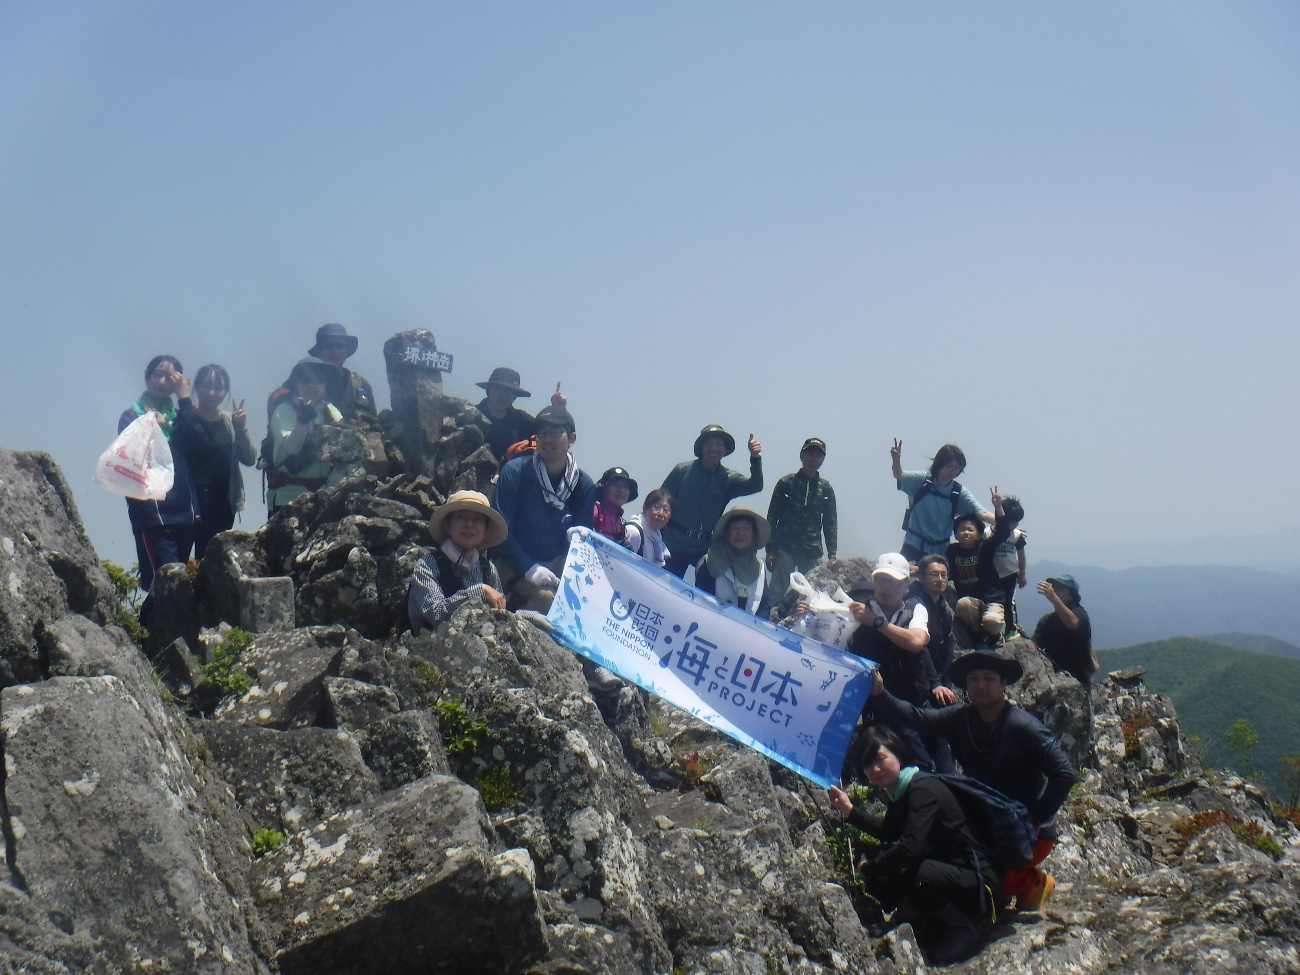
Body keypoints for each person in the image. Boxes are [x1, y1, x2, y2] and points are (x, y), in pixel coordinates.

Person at [866, 648, 1075, 914]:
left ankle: (1029, 882)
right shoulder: (961, 719)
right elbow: (915, 717)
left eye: (989, 678)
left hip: (1029, 834)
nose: (980, 685)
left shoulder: (1024, 727)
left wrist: (1036, 819)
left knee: (989, 880)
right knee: (954, 860)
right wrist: (880, 694)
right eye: (973, 679)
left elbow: (1064, 773)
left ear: (1003, 683)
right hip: (989, 822)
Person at [828, 726, 996, 964]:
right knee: (876, 854)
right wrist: (849, 811)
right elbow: (890, 832)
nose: (875, 768)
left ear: (898, 753)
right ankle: (924, 914)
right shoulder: (901, 789)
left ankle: (960, 926)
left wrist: (870, 869)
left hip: (981, 883)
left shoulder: (921, 790)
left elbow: (909, 848)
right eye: (867, 764)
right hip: (955, 871)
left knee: (912, 874)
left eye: (880, 758)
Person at [847, 554, 956, 774]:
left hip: (918, 699)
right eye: (881, 580)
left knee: (943, 757)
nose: (885, 587)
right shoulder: (856, 613)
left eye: (893, 582)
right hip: (883, 707)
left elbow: (916, 642)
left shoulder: (915, 608)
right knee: (918, 765)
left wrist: (876, 622)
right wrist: (806, 614)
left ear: (906, 584)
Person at [490, 405, 595, 611]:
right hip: (513, 563)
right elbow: (501, 529)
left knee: (587, 600)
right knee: (547, 599)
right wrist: (529, 567)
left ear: (572, 438)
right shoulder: (516, 472)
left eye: (555, 432)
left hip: (557, 562)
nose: (547, 439)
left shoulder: (583, 484)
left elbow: (582, 541)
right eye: (542, 433)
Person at [118, 355, 200, 593]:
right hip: (152, 514)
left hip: (184, 511)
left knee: (179, 582)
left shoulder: (180, 418)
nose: (162, 381)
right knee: (164, 583)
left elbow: (195, 441)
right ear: (147, 375)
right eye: (158, 374)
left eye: (170, 377)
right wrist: (151, 426)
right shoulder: (131, 416)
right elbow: (130, 457)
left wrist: (184, 398)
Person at [173, 364, 256, 559]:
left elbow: (250, 458)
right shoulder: (185, 417)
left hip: (223, 502)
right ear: (195, 388)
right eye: (207, 386)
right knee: (180, 558)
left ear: (226, 391)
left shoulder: (230, 421)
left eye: (219, 387)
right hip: (190, 500)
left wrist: (240, 428)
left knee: (212, 559)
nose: (212, 393)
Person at [660, 425, 763, 579]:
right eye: (709, 443)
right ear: (701, 448)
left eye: (719, 443)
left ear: (725, 449)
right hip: (673, 543)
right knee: (664, 587)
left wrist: (755, 458)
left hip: (704, 548)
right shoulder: (682, 470)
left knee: (709, 588)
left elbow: (756, 485)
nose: (714, 448)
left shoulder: (728, 478)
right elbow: (661, 501)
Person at [408, 490, 508, 635]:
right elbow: (437, 615)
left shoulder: (488, 569)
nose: (469, 524)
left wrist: (531, 617)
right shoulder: (427, 565)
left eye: (477, 519)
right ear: (447, 526)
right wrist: (480, 590)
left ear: (486, 530)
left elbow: (501, 614)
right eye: (461, 517)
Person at [763, 437, 837, 616]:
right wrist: (770, 549)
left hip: (811, 551)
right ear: (802, 455)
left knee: (809, 597)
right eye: (810, 454)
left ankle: (798, 625)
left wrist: (832, 555)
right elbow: (772, 517)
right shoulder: (786, 483)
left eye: (818, 455)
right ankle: (770, 621)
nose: (813, 459)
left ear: (822, 460)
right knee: (775, 595)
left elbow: (830, 522)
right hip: (785, 548)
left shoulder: (826, 488)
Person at [265, 358, 344, 514]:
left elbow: (346, 442)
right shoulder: (284, 410)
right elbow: (291, 448)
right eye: (305, 380)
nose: (312, 385)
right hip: (287, 499)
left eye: (319, 380)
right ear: (296, 384)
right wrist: (302, 421)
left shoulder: (330, 411)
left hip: (324, 497)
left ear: (325, 384)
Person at [891, 440, 993, 561]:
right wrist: (896, 459)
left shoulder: (957, 492)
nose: (953, 471)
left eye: (957, 468)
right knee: (901, 572)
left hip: (941, 551)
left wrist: (1006, 524)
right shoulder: (922, 481)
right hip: (913, 546)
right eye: (949, 467)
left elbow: (982, 513)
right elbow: (899, 475)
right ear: (939, 465)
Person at [945, 490, 1013, 649]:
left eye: (970, 529)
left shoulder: (985, 547)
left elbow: (1003, 531)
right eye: (961, 529)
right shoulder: (952, 551)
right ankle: (981, 635)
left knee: (992, 620)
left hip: (992, 599)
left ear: (979, 535)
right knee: (962, 605)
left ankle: (995, 635)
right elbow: (943, 567)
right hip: (971, 601)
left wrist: (998, 506)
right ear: (956, 534)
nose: (965, 532)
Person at [472, 367, 567, 463]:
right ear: (489, 390)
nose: (503, 395)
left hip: (511, 472)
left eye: (509, 390)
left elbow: (551, 435)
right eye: (498, 388)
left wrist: (558, 411)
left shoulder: (522, 421)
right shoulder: (469, 416)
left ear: (515, 395)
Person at [695, 508, 769, 616]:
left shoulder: (760, 567)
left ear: (754, 534)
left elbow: (764, 608)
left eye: (746, 528)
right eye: (735, 528)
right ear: (726, 532)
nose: (741, 533)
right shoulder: (708, 562)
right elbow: (701, 603)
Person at [1032, 575, 1094, 688]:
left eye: (1059, 588)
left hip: (1079, 681)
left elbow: (1073, 623)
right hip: (1054, 680)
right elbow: (1034, 645)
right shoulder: (1047, 620)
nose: (1054, 589)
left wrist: (1054, 598)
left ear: (1070, 594)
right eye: (1053, 586)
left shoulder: (1080, 614)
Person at [309, 323, 375, 419]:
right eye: (328, 346)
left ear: (346, 350)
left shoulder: (361, 385)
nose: (334, 351)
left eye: (340, 346)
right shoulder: (306, 386)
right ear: (319, 351)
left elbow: (374, 422)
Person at [911, 555, 958, 688]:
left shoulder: (943, 608)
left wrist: (946, 684)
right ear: (921, 577)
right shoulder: (913, 604)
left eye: (944, 575)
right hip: (918, 680)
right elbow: (922, 647)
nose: (940, 579)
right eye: (934, 574)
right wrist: (935, 683)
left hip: (940, 680)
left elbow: (949, 649)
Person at [991, 496, 1028, 637]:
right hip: (992, 574)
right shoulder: (987, 533)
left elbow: (1021, 555)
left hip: (1010, 574)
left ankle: (1011, 628)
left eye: (1016, 523)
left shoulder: (1017, 536)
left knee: (1008, 602)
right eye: (1011, 522)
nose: (1014, 525)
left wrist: (1022, 574)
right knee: (992, 601)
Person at [623, 490, 673, 569]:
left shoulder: (657, 540)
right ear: (645, 508)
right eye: (657, 507)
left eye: (666, 510)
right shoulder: (634, 532)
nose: (661, 514)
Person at [593, 467, 638, 546]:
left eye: (625, 486)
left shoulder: (620, 524)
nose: (621, 490)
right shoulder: (595, 511)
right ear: (604, 489)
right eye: (615, 485)